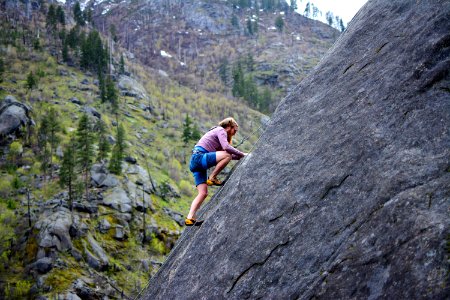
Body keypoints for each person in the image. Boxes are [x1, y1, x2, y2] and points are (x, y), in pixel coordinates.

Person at [185, 117, 247, 226]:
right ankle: (213, 177)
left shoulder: (216, 134)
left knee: (203, 193)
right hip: (199, 158)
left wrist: (242, 156)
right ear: (229, 127)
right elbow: (227, 149)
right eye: (235, 130)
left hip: (195, 163)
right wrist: (241, 154)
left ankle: (190, 218)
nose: (235, 133)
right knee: (226, 154)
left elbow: (227, 155)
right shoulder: (220, 130)